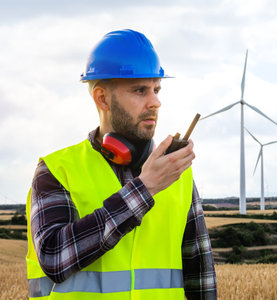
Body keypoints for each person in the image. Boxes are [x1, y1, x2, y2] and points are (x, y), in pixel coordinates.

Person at [26, 29, 217, 300]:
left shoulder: (178, 174)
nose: (155, 102)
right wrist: (145, 187)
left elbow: (201, 277)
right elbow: (55, 257)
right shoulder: (57, 170)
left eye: (156, 89)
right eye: (140, 90)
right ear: (102, 98)